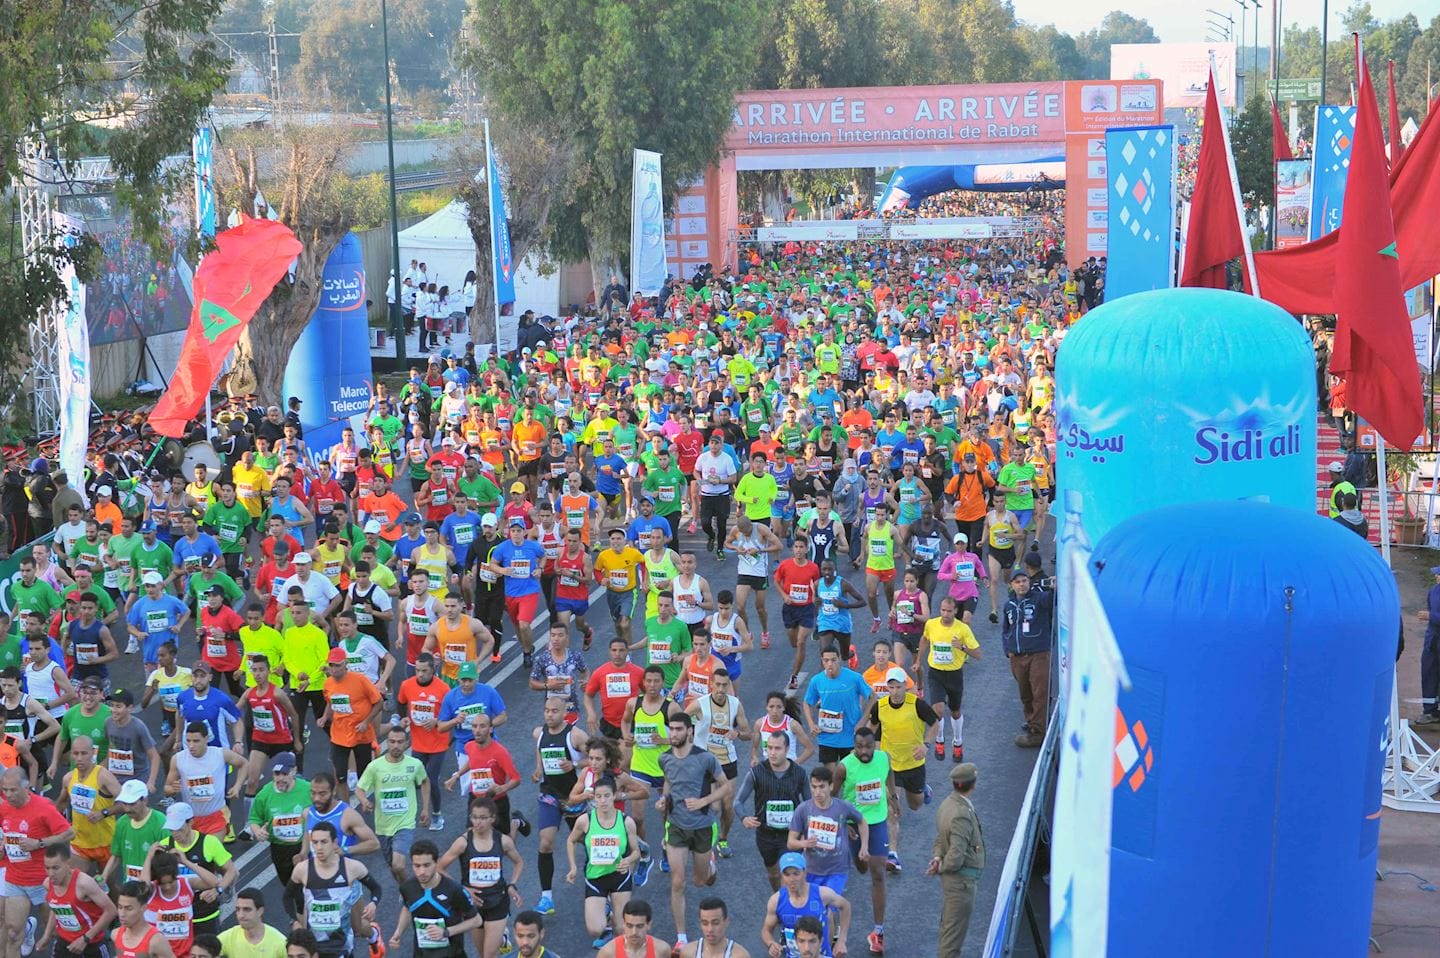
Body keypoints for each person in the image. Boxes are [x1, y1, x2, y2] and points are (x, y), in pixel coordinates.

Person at [658, 712, 729, 951]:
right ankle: (681, 936)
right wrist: (664, 800)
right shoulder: (664, 758)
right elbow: (668, 782)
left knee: (700, 881)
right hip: (676, 825)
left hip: (702, 825)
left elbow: (726, 786)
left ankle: (709, 865)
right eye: (671, 729)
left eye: (679, 729)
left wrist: (703, 801)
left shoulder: (705, 758)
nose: (674, 733)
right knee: (678, 882)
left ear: (689, 731)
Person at [437, 796, 524, 958]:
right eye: (474, 817)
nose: (478, 822)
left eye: (483, 818)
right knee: (481, 953)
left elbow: (518, 862)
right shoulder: (462, 842)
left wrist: (512, 884)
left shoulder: (503, 841)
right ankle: (501, 939)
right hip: (473, 904)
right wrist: (463, 890)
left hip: (498, 901)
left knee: (488, 955)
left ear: (492, 818)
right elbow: (439, 868)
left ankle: (499, 936)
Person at [1, 766, 75, 958]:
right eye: (5, 790)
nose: (8, 795)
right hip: (15, 879)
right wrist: (3, 846)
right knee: (12, 933)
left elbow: (69, 833)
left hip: (43, 881)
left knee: (58, 932)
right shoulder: (4, 808)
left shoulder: (43, 807)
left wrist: (39, 843)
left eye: (13, 790)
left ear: (26, 788)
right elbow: (7, 833)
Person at [564, 775, 643, 949]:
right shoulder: (585, 821)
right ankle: (608, 915)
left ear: (614, 796)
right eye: (598, 796)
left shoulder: (626, 822)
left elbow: (636, 851)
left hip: (619, 876)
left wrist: (628, 860)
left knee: (622, 929)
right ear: (594, 798)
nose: (603, 800)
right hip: (595, 877)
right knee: (595, 929)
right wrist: (573, 867)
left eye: (607, 796)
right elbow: (570, 840)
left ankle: (617, 948)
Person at [284, 822, 383, 958]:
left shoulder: (352, 868)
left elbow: (376, 888)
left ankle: (373, 935)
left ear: (335, 843)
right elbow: (287, 896)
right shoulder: (302, 869)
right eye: (315, 842)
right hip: (314, 942)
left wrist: (373, 903)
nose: (319, 847)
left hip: (341, 941)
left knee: (359, 928)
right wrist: (294, 921)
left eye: (324, 842)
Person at [834, 727, 893, 949]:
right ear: (854, 746)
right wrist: (843, 823)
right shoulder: (844, 767)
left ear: (874, 745)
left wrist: (894, 796)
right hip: (854, 825)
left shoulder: (883, 758)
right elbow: (832, 797)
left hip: (877, 822)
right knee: (861, 867)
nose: (864, 751)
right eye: (859, 747)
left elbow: (889, 774)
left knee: (878, 873)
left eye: (868, 746)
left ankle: (878, 932)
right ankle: (858, 855)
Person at [531, 698, 589, 917]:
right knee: (546, 843)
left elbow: (597, 758)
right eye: (546, 710)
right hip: (550, 795)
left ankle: (602, 886)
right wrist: (538, 769)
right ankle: (546, 897)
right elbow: (540, 750)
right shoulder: (539, 733)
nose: (549, 715)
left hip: (574, 797)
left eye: (554, 711)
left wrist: (574, 764)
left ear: (565, 713)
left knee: (587, 842)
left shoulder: (576, 736)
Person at [354, 723, 431, 882]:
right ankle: (404, 889)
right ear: (387, 742)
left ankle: (411, 890)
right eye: (392, 741)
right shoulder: (375, 767)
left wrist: (425, 808)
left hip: (405, 822)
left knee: (398, 865)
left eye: (400, 742)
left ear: (407, 743)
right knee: (392, 866)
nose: (395, 745)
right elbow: (359, 789)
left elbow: (424, 781)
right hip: (383, 825)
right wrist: (364, 801)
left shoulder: (414, 765)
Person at [738, 730, 811, 891]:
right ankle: (779, 897)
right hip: (766, 835)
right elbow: (738, 802)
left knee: (788, 873)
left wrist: (806, 831)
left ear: (787, 749)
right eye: (769, 748)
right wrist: (744, 818)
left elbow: (810, 805)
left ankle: (787, 903)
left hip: (791, 834)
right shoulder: (756, 773)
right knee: (773, 874)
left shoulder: (799, 773)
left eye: (777, 748)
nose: (772, 752)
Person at [389, 840, 482, 957]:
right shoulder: (407, 887)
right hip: (421, 954)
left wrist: (446, 932)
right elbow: (407, 908)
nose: (422, 872)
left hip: (452, 954)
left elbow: (476, 920)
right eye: (417, 866)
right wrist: (398, 932)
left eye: (426, 865)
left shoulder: (454, 890)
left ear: (436, 863)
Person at [929, 763, 984, 958]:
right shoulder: (961, 813)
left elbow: (940, 838)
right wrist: (942, 866)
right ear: (973, 784)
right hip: (961, 884)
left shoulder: (947, 804)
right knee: (952, 938)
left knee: (948, 929)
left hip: (953, 883)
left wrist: (937, 858)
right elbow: (956, 856)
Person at [916, 597, 981, 762]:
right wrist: (918, 661)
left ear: (956, 611)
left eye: (949, 611)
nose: (945, 614)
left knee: (955, 712)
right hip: (936, 673)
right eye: (943, 610)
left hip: (954, 674)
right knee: (937, 710)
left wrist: (962, 647)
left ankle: (957, 742)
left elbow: (978, 654)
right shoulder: (931, 624)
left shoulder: (963, 629)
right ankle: (939, 740)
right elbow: (924, 639)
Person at [760, 853, 850, 958]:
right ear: (782, 875)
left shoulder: (822, 894)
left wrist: (841, 940)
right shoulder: (776, 901)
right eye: (787, 875)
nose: (792, 879)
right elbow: (766, 930)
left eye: (796, 873)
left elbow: (845, 906)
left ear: (805, 872)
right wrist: (771, 943)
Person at [38, 843, 117, 958]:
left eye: (56, 868)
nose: (51, 874)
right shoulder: (48, 884)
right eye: (47, 868)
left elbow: (111, 911)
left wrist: (85, 938)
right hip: (64, 943)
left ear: (68, 864)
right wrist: (46, 936)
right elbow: (56, 909)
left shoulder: (84, 883)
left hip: (91, 945)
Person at [1002, 570, 1053, 747]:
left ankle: (1038, 734)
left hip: (1038, 654)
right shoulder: (1009, 605)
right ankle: (1033, 721)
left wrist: (1054, 588)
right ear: (1012, 585)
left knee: (1040, 693)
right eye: (1017, 582)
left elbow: (1053, 600)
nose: (1022, 584)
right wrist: (1007, 649)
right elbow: (1006, 629)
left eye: (1024, 580)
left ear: (1029, 582)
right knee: (1026, 694)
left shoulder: (1040, 599)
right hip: (1017, 657)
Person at [246, 751, 311, 886]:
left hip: (304, 846)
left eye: (284, 774)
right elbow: (254, 819)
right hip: (279, 849)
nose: (280, 778)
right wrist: (257, 831)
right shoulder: (264, 794)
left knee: (307, 887)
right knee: (288, 886)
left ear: (294, 771)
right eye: (276, 774)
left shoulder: (308, 789)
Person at [802, 647, 871, 767]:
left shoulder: (854, 678)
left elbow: (872, 697)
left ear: (839, 659)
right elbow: (807, 702)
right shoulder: (817, 681)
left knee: (849, 774)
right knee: (831, 775)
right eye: (826, 660)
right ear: (822, 661)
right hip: (827, 737)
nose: (830, 664)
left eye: (833, 660)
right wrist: (811, 724)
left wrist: (863, 721)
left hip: (850, 737)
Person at [216, 889, 288, 958]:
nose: (241, 915)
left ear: (260, 911)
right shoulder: (229, 937)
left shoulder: (280, 942)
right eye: (238, 909)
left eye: (247, 909)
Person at [112, 881, 175, 958]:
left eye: (129, 908)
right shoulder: (115, 935)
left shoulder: (156, 941)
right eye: (120, 907)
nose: (122, 914)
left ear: (144, 908)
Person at [676, 897, 751, 958]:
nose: (710, 929)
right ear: (700, 924)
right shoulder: (688, 953)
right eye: (705, 923)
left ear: (726, 922)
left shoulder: (740, 955)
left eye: (715, 923)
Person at [594, 898, 670, 958]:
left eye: (639, 926)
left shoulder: (662, 950)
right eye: (629, 926)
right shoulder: (608, 953)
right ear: (623, 924)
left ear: (649, 925)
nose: (634, 932)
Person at [1416, 565, 1440, 726]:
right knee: (1429, 673)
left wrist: (1431, 616)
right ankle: (1430, 711)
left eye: (1439, 574)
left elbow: (1431, 614)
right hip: (1432, 640)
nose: (1436, 577)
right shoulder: (1433, 591)